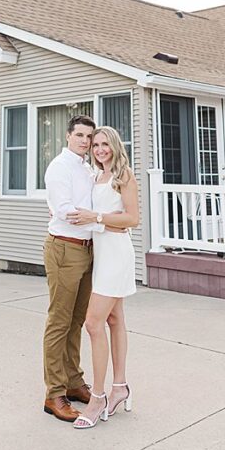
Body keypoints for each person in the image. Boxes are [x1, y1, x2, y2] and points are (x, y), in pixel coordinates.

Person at [67, 126, 138, 429]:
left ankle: (98, 397)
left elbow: (132, 219)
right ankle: (119, 387)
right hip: (102, 255)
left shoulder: (125, 175)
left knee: (93, 323)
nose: (98, 149)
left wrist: (96, 218)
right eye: (95, 144)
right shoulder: (96, 177)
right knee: (114, 320)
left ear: (115, 145)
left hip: (117, 256)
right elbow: (107, 220)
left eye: (104, 143)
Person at [42, 114, 98, 422]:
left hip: (87, 251)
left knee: (77, 321)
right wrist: (97, 216)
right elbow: (65, 212)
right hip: (64, 248)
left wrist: (94, 216)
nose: (85, 141)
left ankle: (74, 382)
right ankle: (54, 393)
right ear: (68, 136)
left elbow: (85, 211)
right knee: (59, 322)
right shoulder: (59, 167)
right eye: (79, 135)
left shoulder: (86, 168)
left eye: (89, 137)